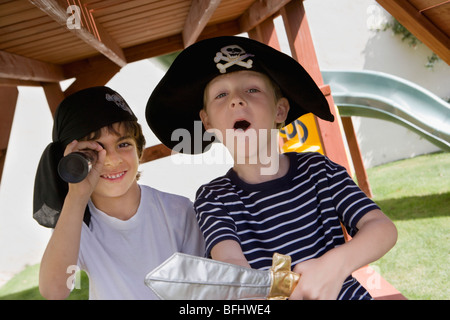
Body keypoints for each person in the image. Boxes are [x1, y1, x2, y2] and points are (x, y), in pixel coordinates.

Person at [145, 36, 397, 300]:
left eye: (252, 90)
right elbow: (232, 265)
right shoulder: (214, 198)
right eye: (221, 94)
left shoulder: (319, 171)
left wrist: (334, 265)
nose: (236, 101)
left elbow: (382, 228)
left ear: (280, 110)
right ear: (207, 122)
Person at [33, 86, 204, 300]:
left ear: (139, 149)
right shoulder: (76, 223)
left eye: (123, 144)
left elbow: (202, 287)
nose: (112, 159)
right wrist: (77, 196)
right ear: (73, 163)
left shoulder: (177, 210)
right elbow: (54, 291)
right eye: (94, 151)